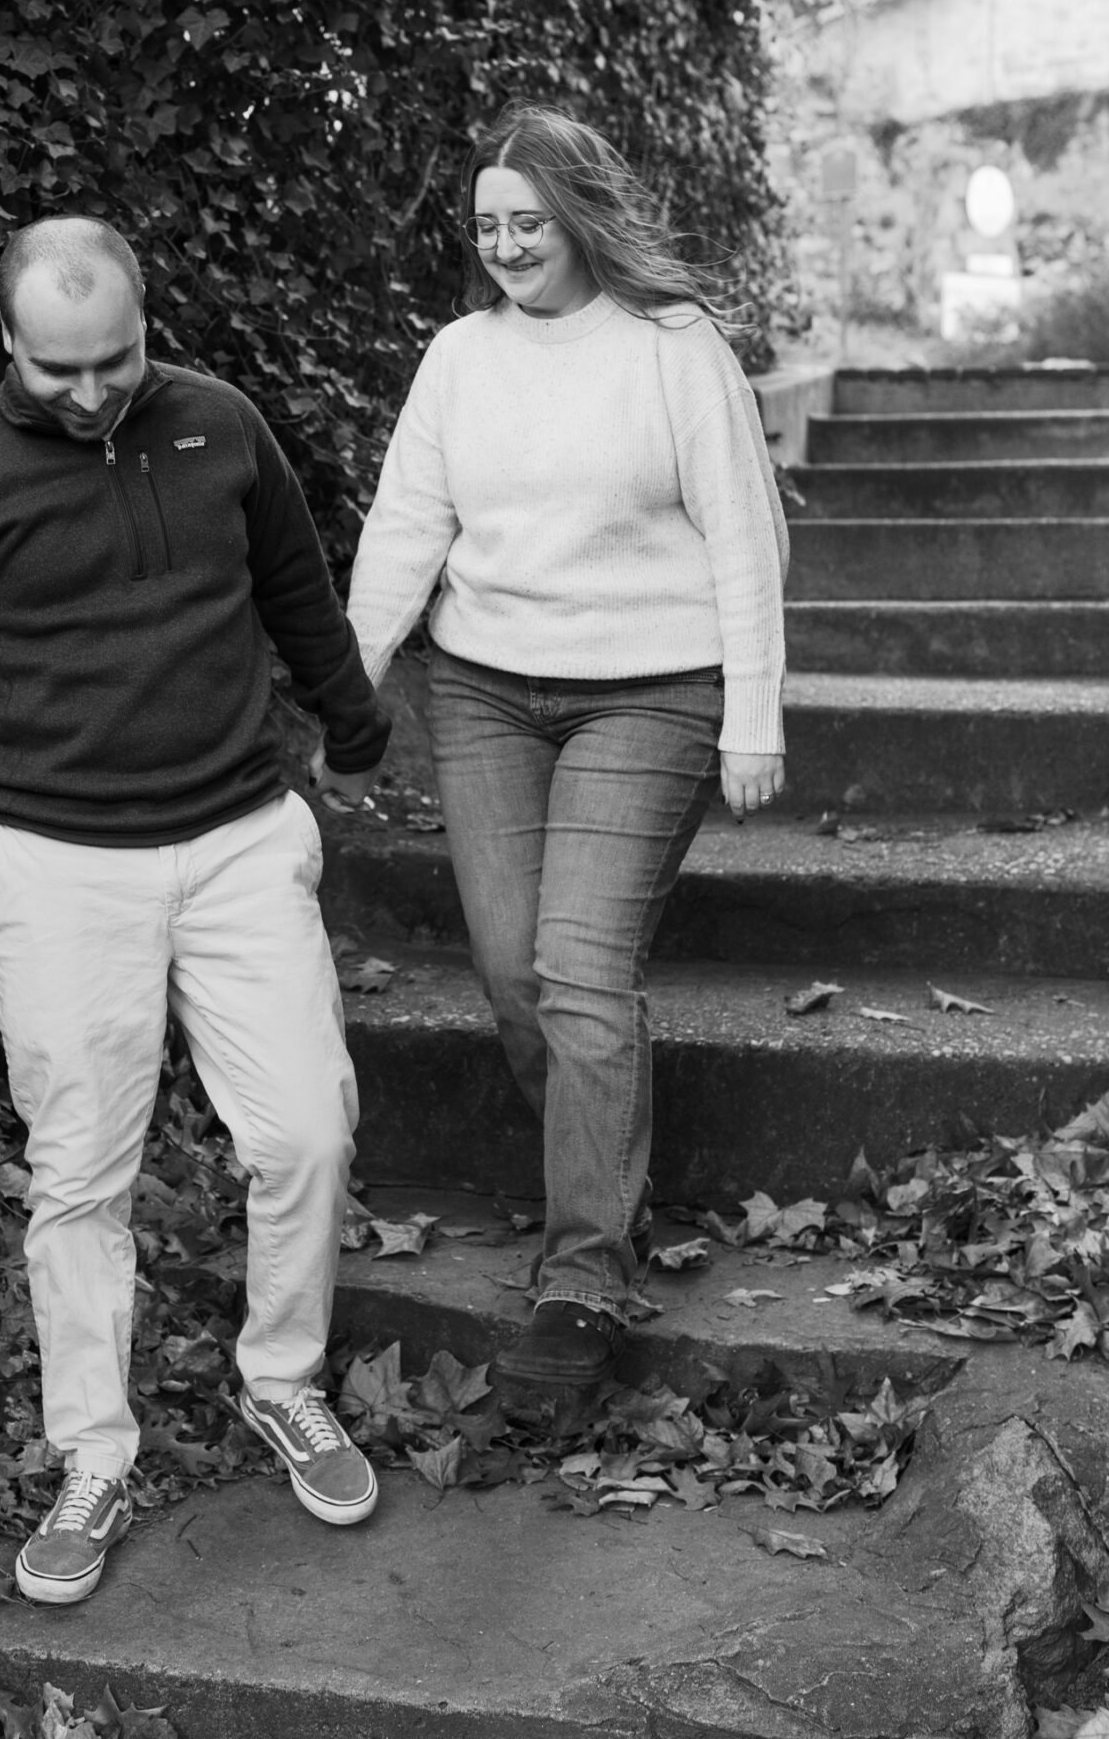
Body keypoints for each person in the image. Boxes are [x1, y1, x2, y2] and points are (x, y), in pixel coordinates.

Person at [0, 217, 390, 1605]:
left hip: (238, 840)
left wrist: (353, 724)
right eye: (58, 370)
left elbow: (294, 591)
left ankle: (281, 1382)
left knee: (307, 1128)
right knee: (80, 1179)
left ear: (147, 323)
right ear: (4, 341)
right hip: (57, 865)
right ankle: (93, 1456)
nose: (93, 392)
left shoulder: (220, 425)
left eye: (116, 360)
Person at [346, 105, 788, 1413]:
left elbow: (743, 533)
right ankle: (606, 1178)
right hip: (484, 689)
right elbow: (405, 526)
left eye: (526, 223)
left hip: (651, 690)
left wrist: (753, 712)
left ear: (579, 218)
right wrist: (348, 685)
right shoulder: (458, 358)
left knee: (581, 969)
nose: (504, 247)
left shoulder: (672, 346)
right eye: (486, 227)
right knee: (510, 975)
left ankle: (582, 1275)